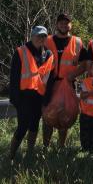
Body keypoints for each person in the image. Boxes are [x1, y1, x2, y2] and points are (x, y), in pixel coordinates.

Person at [9, 26, 54, 160]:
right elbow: (14, 77)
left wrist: (47, 99)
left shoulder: (48, 54)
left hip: (39, 96)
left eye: (44, 36)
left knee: (34, 125)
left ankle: (29, 153)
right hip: (23, 96)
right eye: (38, 35)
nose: (41, 38)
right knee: (23, 126)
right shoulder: (21, 51)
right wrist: (14, 99)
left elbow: (49, 79)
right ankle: (11, 155)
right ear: (32, 36)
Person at [43, 13, 86, 148]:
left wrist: (73, 75)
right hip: (50, 84)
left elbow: (85, 64)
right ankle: (45, 146)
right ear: (57, 24)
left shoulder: (77, 42)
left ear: (70, 25)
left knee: (66, 115)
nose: (63, 25)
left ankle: (61, 147)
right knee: (48, 116)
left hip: (69, 84)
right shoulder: (47, 41)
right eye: (61, 22)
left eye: (66, 22)